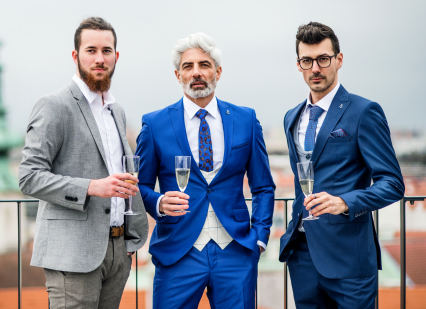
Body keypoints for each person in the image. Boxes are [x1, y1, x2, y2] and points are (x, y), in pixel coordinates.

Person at [136, 32, 275, 308]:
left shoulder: (246, 119)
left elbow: (263, 186)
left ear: (218, 72)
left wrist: (259, 238)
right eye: (188, 66)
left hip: (236, 251)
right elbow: (139, 187)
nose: (196, 72)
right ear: (178, 75)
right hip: (177, 252)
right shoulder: (154, 124)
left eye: (204, 65)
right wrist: (160, 202)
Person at [18, 17, 148, 309]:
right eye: (91, 50)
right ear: (75, 56)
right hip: (73, 254)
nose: (99, 58)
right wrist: (92, 187)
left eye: (106, 50)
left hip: (116, 250)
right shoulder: (54, 105)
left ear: (116, 56)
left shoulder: (116, 111)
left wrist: (126, 245)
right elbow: (28, 176)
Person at [279, 22, 405, 309]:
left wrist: (344, 202)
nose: (315, 68)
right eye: (307, 61)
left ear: (339, 59)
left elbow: (393, 184)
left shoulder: (363, 111)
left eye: (323, 59)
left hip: (349, 259)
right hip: (303, 255)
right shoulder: (291, 117)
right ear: (298, 65)